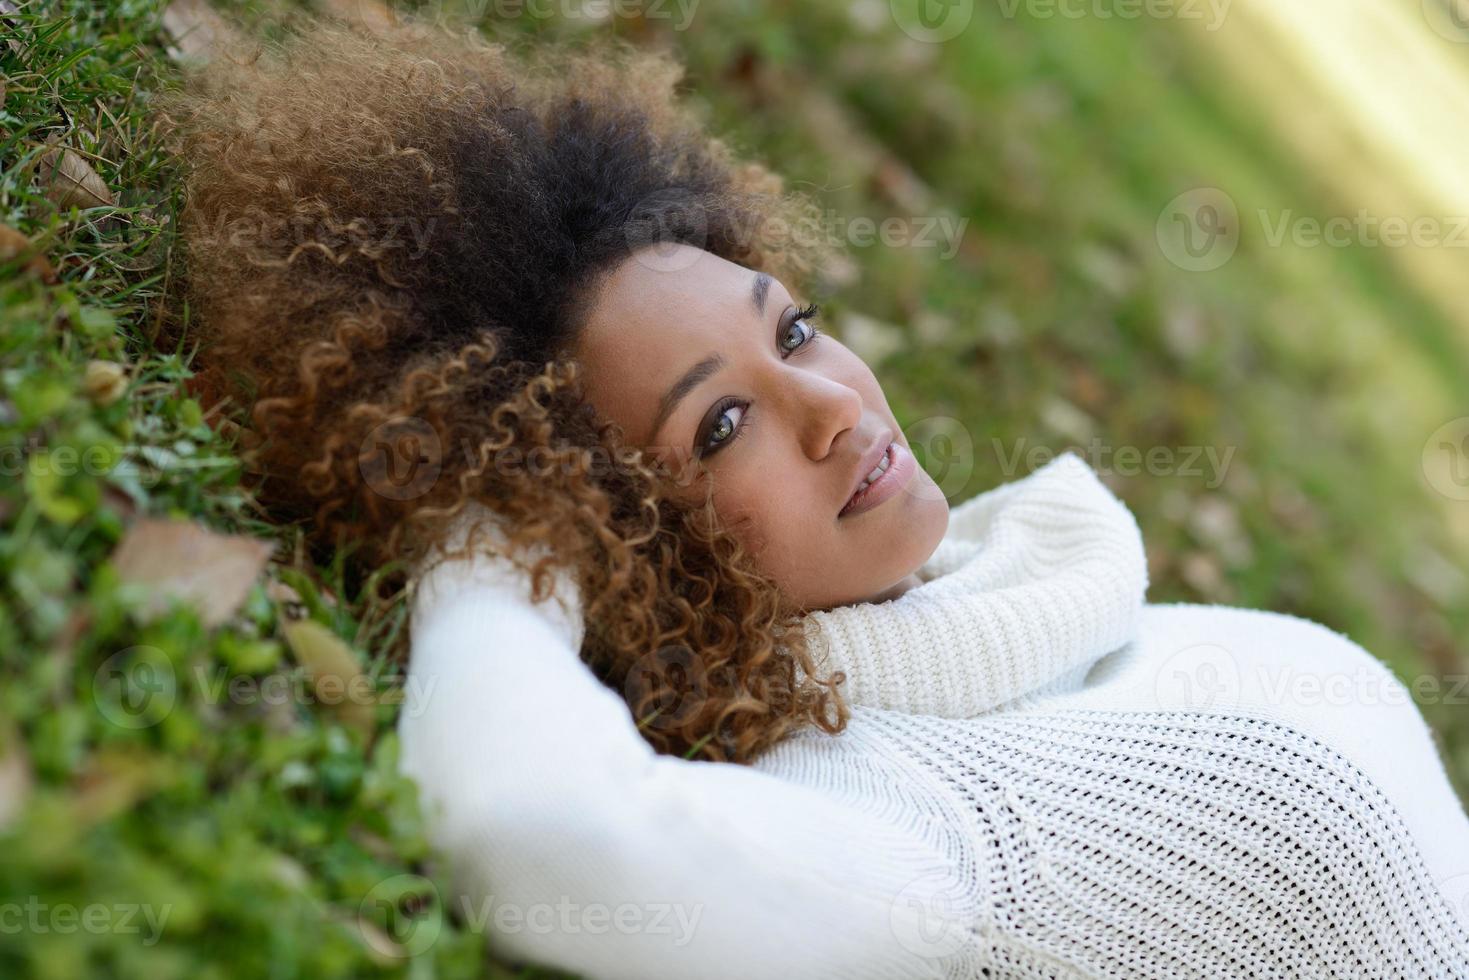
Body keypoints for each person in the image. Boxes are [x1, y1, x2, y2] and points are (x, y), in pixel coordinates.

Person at [163, 16, 1469, 979]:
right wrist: (493, 539)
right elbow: (529, 824)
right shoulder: (913, 820)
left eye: (791, 335)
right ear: (617, 541)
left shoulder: (1010, 611)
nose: (836, 406)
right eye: (721, 425)